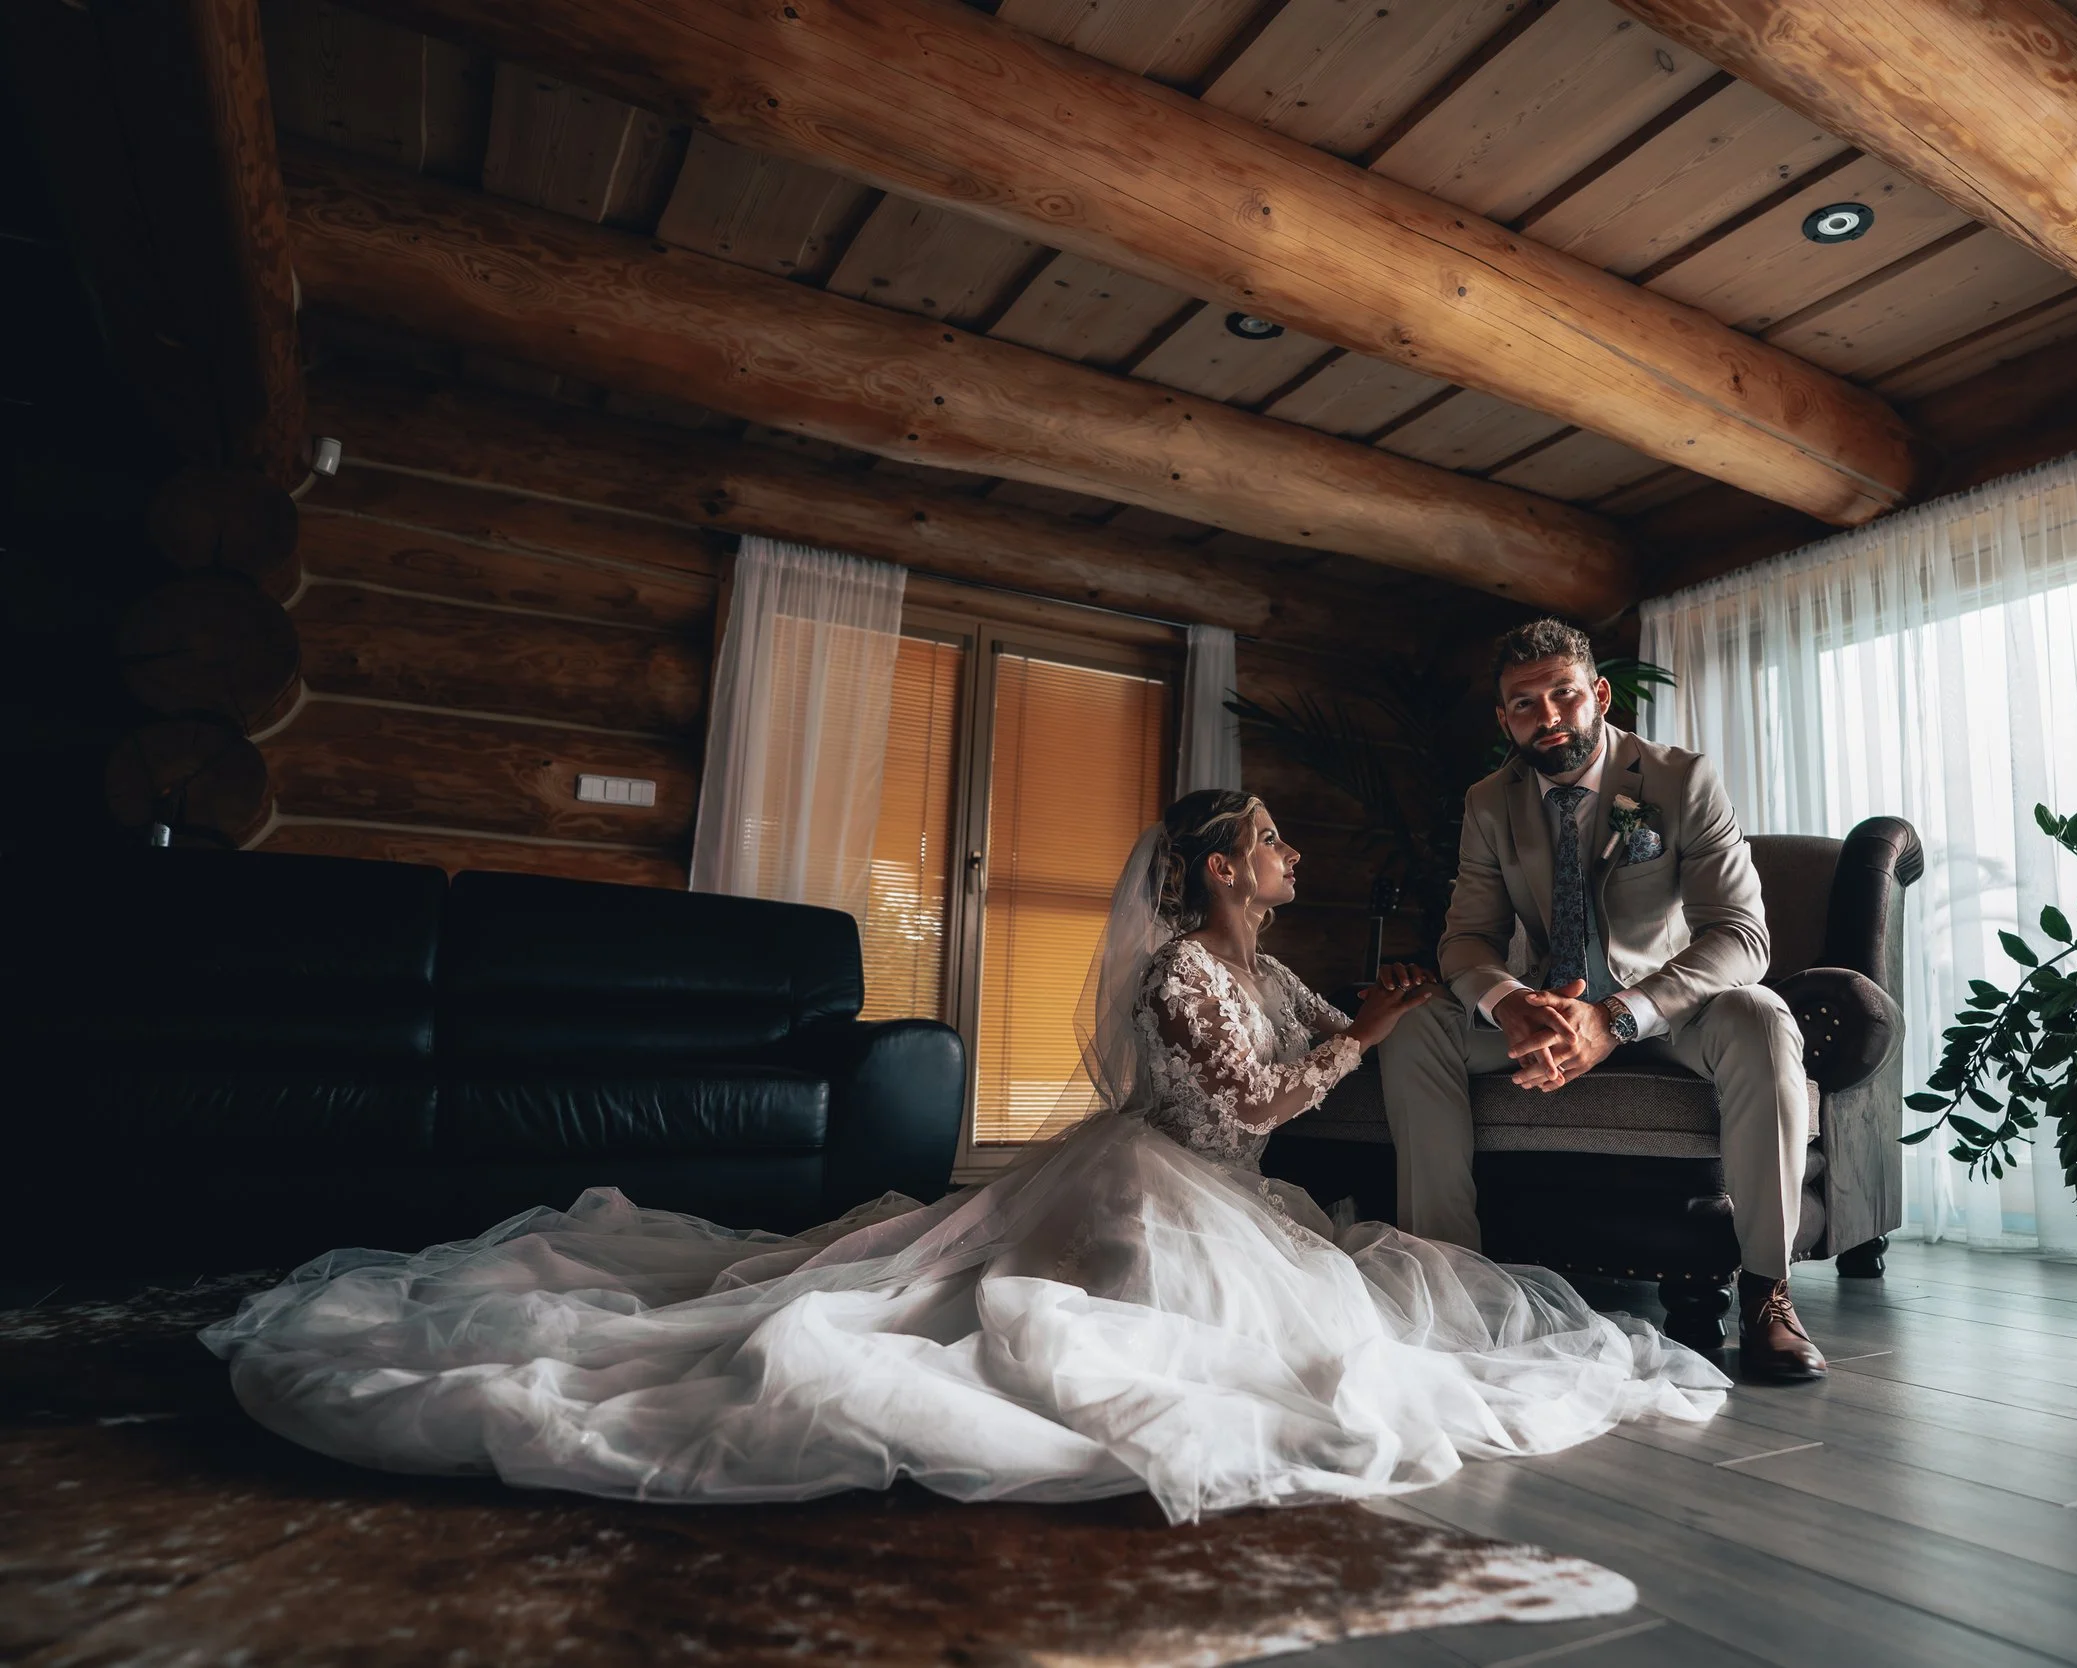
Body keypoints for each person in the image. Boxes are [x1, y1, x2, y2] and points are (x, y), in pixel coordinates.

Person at [202, 789, 1726, 1525]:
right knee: (1021, 1338)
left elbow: (1344, 1026)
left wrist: (1422, 1005)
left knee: (1345, 1326)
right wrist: (1376, 1020)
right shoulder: (1181, 976)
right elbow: (1266, 1101)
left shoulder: (1268, 963)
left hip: (1236, 1200)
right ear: (1212, 868)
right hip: (1164, 1184)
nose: (1287, 855)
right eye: (1264, 839)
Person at [1376, 619, 1828, 1383]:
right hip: (1550, 1010)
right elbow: (1465, 941)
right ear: (1503, 719)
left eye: (1564, 694)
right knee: (1416, 1024)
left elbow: (1742, 937)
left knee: (1762, 1014)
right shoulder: (1491, 801)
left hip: (1670, 1011)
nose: (1547, 717)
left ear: (1600, 695)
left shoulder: (1681, 780)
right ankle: (1456, 1283)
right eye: (1524, 704)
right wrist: (1511, 1003)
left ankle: (1766, 1293)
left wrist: (1617, 1018)